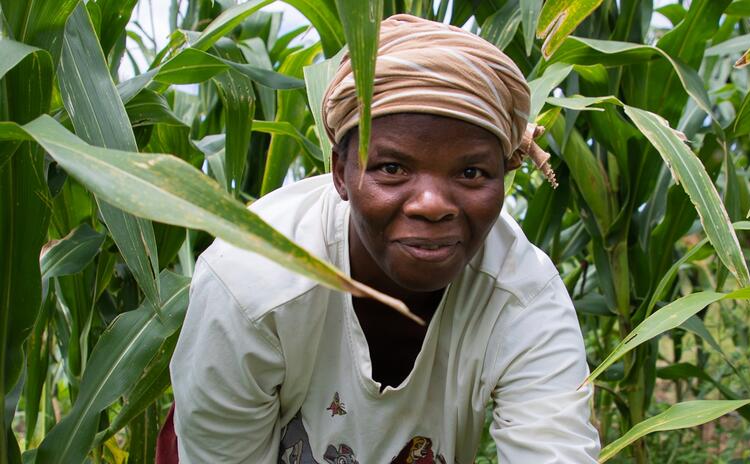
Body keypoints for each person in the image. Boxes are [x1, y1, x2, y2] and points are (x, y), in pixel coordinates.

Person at [168, 13, 600, 464]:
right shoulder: (251, 283)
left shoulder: (522, 298)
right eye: (392, 168)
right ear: (340, 172)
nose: (432, 204)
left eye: (471, 172)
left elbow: (556, 449)